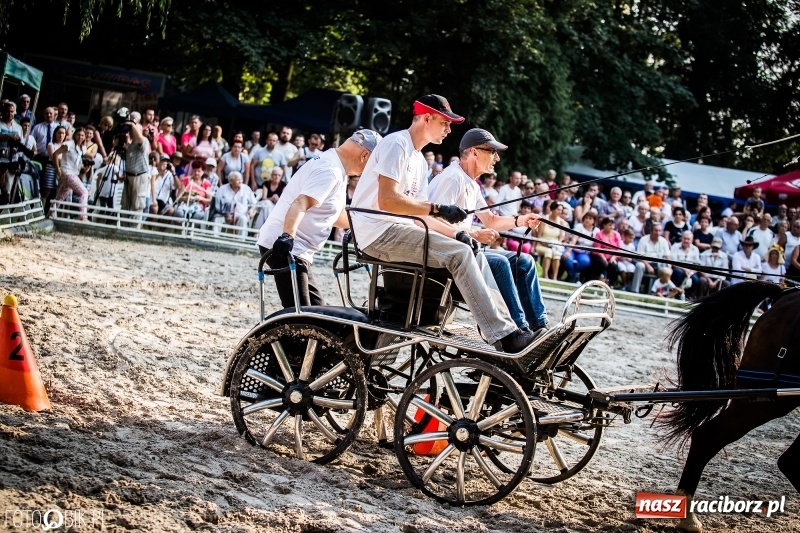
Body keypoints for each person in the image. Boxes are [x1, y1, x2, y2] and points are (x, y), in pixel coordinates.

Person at [350, 94, 536, 352]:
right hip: (376, 233)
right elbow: (388, 200)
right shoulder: (397, 144)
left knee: (469, 248)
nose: (449, 130)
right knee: (460, 254)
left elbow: (421, 217)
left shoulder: (418, 159)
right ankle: (503, 337)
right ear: (426, 118)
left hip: (396, 230)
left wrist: (458, 234)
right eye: (445, 122)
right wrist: (438, 209)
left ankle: (512, 329)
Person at [427, 127, 548, 335]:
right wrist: (474, 234)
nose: (497, 158)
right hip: (448, 256)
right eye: (492, 152)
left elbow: (490, 220)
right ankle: (520, 329)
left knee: (525, 262)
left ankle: (540, 327)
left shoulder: (471, 184)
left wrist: (521, 220)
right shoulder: (453, 179)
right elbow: (433, 221)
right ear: (474, 152)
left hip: (466, 251)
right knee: (500, 263)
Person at [257, 129, 381, 307]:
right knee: (300, 312)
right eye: (372, 163)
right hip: (288, 247)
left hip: (300, 251)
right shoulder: (330, 170)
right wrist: (287, 236)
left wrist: (368, 223)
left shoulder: (337, 167)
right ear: (364, 156)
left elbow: (334, 216)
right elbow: (301, 203)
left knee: (316, 310)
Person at [120, 120, 151, 213]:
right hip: (128, 176)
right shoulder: (129, 144)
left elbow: (140, 138)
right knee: (125, 203)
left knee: (137, 205)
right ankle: (124, 222)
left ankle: (134, 223)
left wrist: (132, 124)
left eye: (134, 129)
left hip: (139, 176)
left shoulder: (144, 141)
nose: (132, 131)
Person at [630, 223, 671, 294]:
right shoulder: (643, 239)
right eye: (656, 230)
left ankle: (663, 293)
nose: (658, 233)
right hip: (646, 262)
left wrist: (669, 267)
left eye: (659, 231)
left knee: (667, 270)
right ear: (651, 231)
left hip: (659, 264)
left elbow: (667, 255)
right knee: (639, 265)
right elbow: (640, 256)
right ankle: (634, 291)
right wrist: (648, 266)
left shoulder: (663, 241)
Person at [213, 171, 256, 237]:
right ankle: (214, 239)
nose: (240, 181)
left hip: (241, 215)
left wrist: (251, 210)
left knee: (243, 219)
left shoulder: (246, 189)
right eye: (238, 180)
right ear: (231, 181)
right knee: (217, 220)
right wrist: (226, 214)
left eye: (241, 179)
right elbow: (217, 205)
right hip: (224, 215)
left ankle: (241, 241)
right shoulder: (222, 189)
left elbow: (254, 203)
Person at [535, 201, 567, 280]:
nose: (560, 212)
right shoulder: (544, 219)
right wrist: (546, 244)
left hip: (554, 245)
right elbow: (539, 236)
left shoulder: (561, 222)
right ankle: (545, 275)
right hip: (541, 244)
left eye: (561, 210)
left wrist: (556, 244)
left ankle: (555, 277)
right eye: (558, 209)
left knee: (556, 254)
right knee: (548, 251)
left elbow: (561, 237)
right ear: (552, 209)